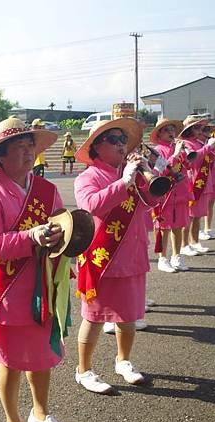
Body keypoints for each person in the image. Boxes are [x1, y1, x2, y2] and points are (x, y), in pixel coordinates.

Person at [0, 117, 68, 422]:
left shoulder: (47, 190)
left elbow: (62, 225)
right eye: (19, 148)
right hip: (9, 293)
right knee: (10, 362)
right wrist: (31, 237)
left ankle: (40, 413)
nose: (27, 154)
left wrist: (63, 238)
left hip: (45, 288)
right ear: (0, 157)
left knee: (42, 357)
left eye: (30, 146)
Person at [73, 118, 161, 395]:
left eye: (123, 139)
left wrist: (149, 171)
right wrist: (124, 182)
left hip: (131, 254)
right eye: (113, 139)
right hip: (102, 258)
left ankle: (123, 360)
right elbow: (91, 205)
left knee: (128, 316)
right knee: (95, 316)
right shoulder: (87, 177)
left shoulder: (132, 172)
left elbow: (153, 201)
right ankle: (84, 370)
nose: (121, 144)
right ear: (96, 147)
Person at [147, 119, 191, 273]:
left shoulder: (178, 146)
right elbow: (160, 172)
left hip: (180, 193)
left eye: (172, 129)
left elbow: (189, 166)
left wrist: (185, 154)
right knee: (163, 228)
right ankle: (162, 258)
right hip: (165, 194)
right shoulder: (157, 151)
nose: (171, 132)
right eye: (166, 130)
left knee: (178, 226)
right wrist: (176, 154)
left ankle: (177, 256)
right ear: (159, 133)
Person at [179, 116, 215, 256]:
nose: (201, 130)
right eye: (197, 127)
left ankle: (194, 241)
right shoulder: (186, 143)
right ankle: (184, 244)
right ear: (189, 130)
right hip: (193, 182)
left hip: (203, 181)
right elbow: (193, 160)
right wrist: (207, 147)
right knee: (190, 216)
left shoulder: (198, 142)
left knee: (197, 215)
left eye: (201, 128)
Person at [199, 123, 215, 240]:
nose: (208, 133)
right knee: (198, 205)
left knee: (211, 203)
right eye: (205, 130)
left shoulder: (210, 142)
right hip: (201, 176)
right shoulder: (196, 144)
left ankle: (207, 228)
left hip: (212, 174)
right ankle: (198, 231)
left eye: (209, 130)